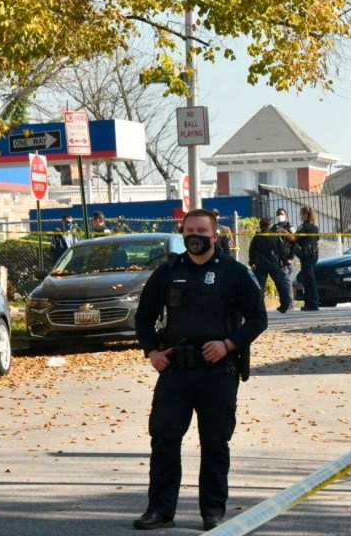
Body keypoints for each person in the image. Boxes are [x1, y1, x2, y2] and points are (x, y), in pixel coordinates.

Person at [132, 208, 267, 531]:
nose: (195, 236)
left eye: (202, 231)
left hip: (217, 371)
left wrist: (229, 344)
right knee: (164, 439)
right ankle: (160, 510)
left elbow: (258, 318)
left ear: (215, 235)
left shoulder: (234, 272)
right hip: (176, 370)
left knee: (215, 442)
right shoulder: (168, 272)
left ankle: (213, 511)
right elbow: (143, 317)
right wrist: (152, 352)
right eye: (189, 230)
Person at [248, 217, 292, 313]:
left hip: (261, 264)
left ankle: (259, 307)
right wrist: (284, 261)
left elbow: (252, 251)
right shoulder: (275, 236)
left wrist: (252, 263)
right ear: (270, 225)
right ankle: (285, 304)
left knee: (260, 286)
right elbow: (282, 250)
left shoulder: (257, 237)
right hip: (274, 262)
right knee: (280, 283)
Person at [271, 208, 297, 311]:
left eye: (281, 214)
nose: (279, 215)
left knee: (286, 280)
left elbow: (295, 243)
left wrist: (291, 257)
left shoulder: (289, 227)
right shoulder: (274, 227)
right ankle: (284, 303)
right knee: (280, 280)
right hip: (276, 257)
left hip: (286, 256)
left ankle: (289, 303)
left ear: (286, 214)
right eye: (278, 214)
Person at [295, 206, 320, 311]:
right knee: (309, 279)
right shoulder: (314, 226)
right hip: (313, 254)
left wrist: (284, 232)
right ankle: (310, 303)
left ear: (306, 214)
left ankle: (312, 303)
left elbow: (293, 238)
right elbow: (317, 239)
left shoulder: (304, 227)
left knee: (309, 280)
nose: (300, 216)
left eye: (301, 213)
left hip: (307, 255)